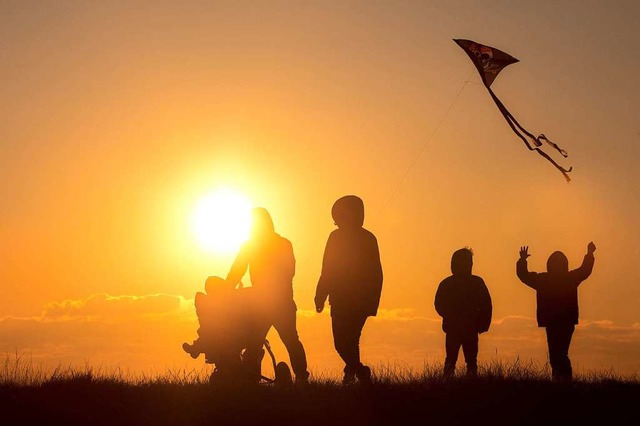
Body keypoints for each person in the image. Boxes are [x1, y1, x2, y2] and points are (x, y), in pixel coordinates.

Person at [226, 207, 310, 384]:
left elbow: (237, 271)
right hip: (276, 302)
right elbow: (237, 270)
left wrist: (226, 290)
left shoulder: (255, 245)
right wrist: (226, 289)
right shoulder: (281, 244)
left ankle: (252, 380)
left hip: (270, 302)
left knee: (257, 342)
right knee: (285, 341)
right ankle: (300, 378)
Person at [314, 195, 383, 385]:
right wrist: (321, 294)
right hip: (341, 299)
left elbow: (376, 273)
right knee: (346, 342)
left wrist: (371, 302)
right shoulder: (340, 237)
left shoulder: (366, 239)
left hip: (354, 301)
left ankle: (358, 372)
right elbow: (328, 268)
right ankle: (353, 372)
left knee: (346, 342)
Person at [516, 241, 596, 382]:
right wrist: (522, 260)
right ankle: (560, 380)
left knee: (559, 354)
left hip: (562, 322)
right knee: (556, 354)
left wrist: (589, 254)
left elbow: (585, 270)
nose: (557, 265)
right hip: (556, 322)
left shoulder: (549, 279)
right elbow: (524, 276)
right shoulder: (555, 279)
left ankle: (563, 381)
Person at [434, 247, 492, 378]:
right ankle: (448, 384)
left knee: (469, 361)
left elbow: (486, 304)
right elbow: (439, 304)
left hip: (469, 327)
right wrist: (451, 315)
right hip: (455, 327)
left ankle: (466, 384)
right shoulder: (448, 284)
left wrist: (483, 323)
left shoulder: (475, 282)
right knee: (452, 360)